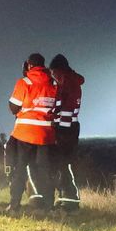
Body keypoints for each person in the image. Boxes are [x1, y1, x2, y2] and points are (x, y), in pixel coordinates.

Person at [6, 53, 57, 215]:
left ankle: (14, 206)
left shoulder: (24, 82)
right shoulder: (53, 83)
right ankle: (48, 207)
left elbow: (14, 107)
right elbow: (57, 107)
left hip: (24, 134)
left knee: (19, 170)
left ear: (29, 65)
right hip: (46, 135)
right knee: (44, 171)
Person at [49, 54, 84, 212]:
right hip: (70, 127)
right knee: (65, 164)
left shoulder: (67, 83)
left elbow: (64, 108)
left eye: (53, 72)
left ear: (59, 70)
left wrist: (57, 127)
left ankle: (70, 201)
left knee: (65, 164)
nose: (53, 76)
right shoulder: (72, 81)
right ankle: (66, 199)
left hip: (65, 129)